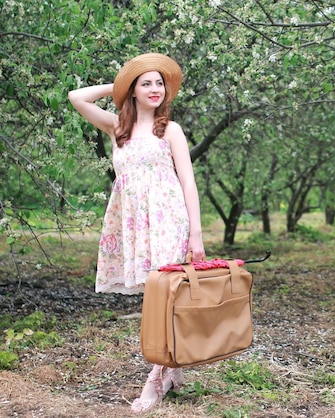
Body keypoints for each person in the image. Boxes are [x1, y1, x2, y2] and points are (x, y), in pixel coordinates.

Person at [68, 53, 206, 414]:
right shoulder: (118, 128)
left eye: (159, 83)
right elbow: (76, 97)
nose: (155, 89)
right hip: (132, 222)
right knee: (156, 297)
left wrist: (196, 235)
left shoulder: (170, 130)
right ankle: (172, 368)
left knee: (162, 299)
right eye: (146, 83)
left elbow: (188, 183)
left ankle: (155, 379)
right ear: (132, 91)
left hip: (167, 219)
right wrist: (120, 85)